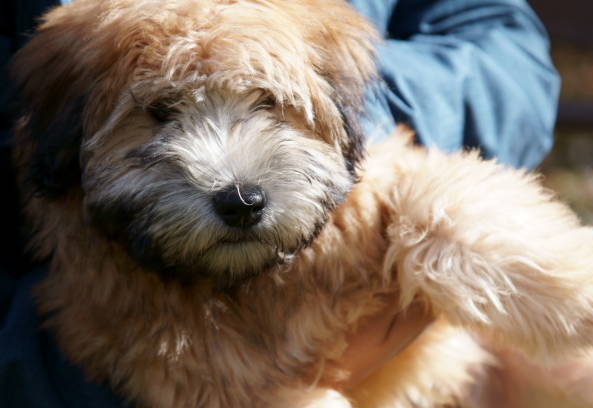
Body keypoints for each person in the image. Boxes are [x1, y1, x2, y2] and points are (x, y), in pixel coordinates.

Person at [0, 0, 559, 406]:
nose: (234, 180)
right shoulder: (75, 55)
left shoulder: (343, 78)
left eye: (266, 103)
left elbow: (502, 43)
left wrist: (364, 123)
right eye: (164, 113)